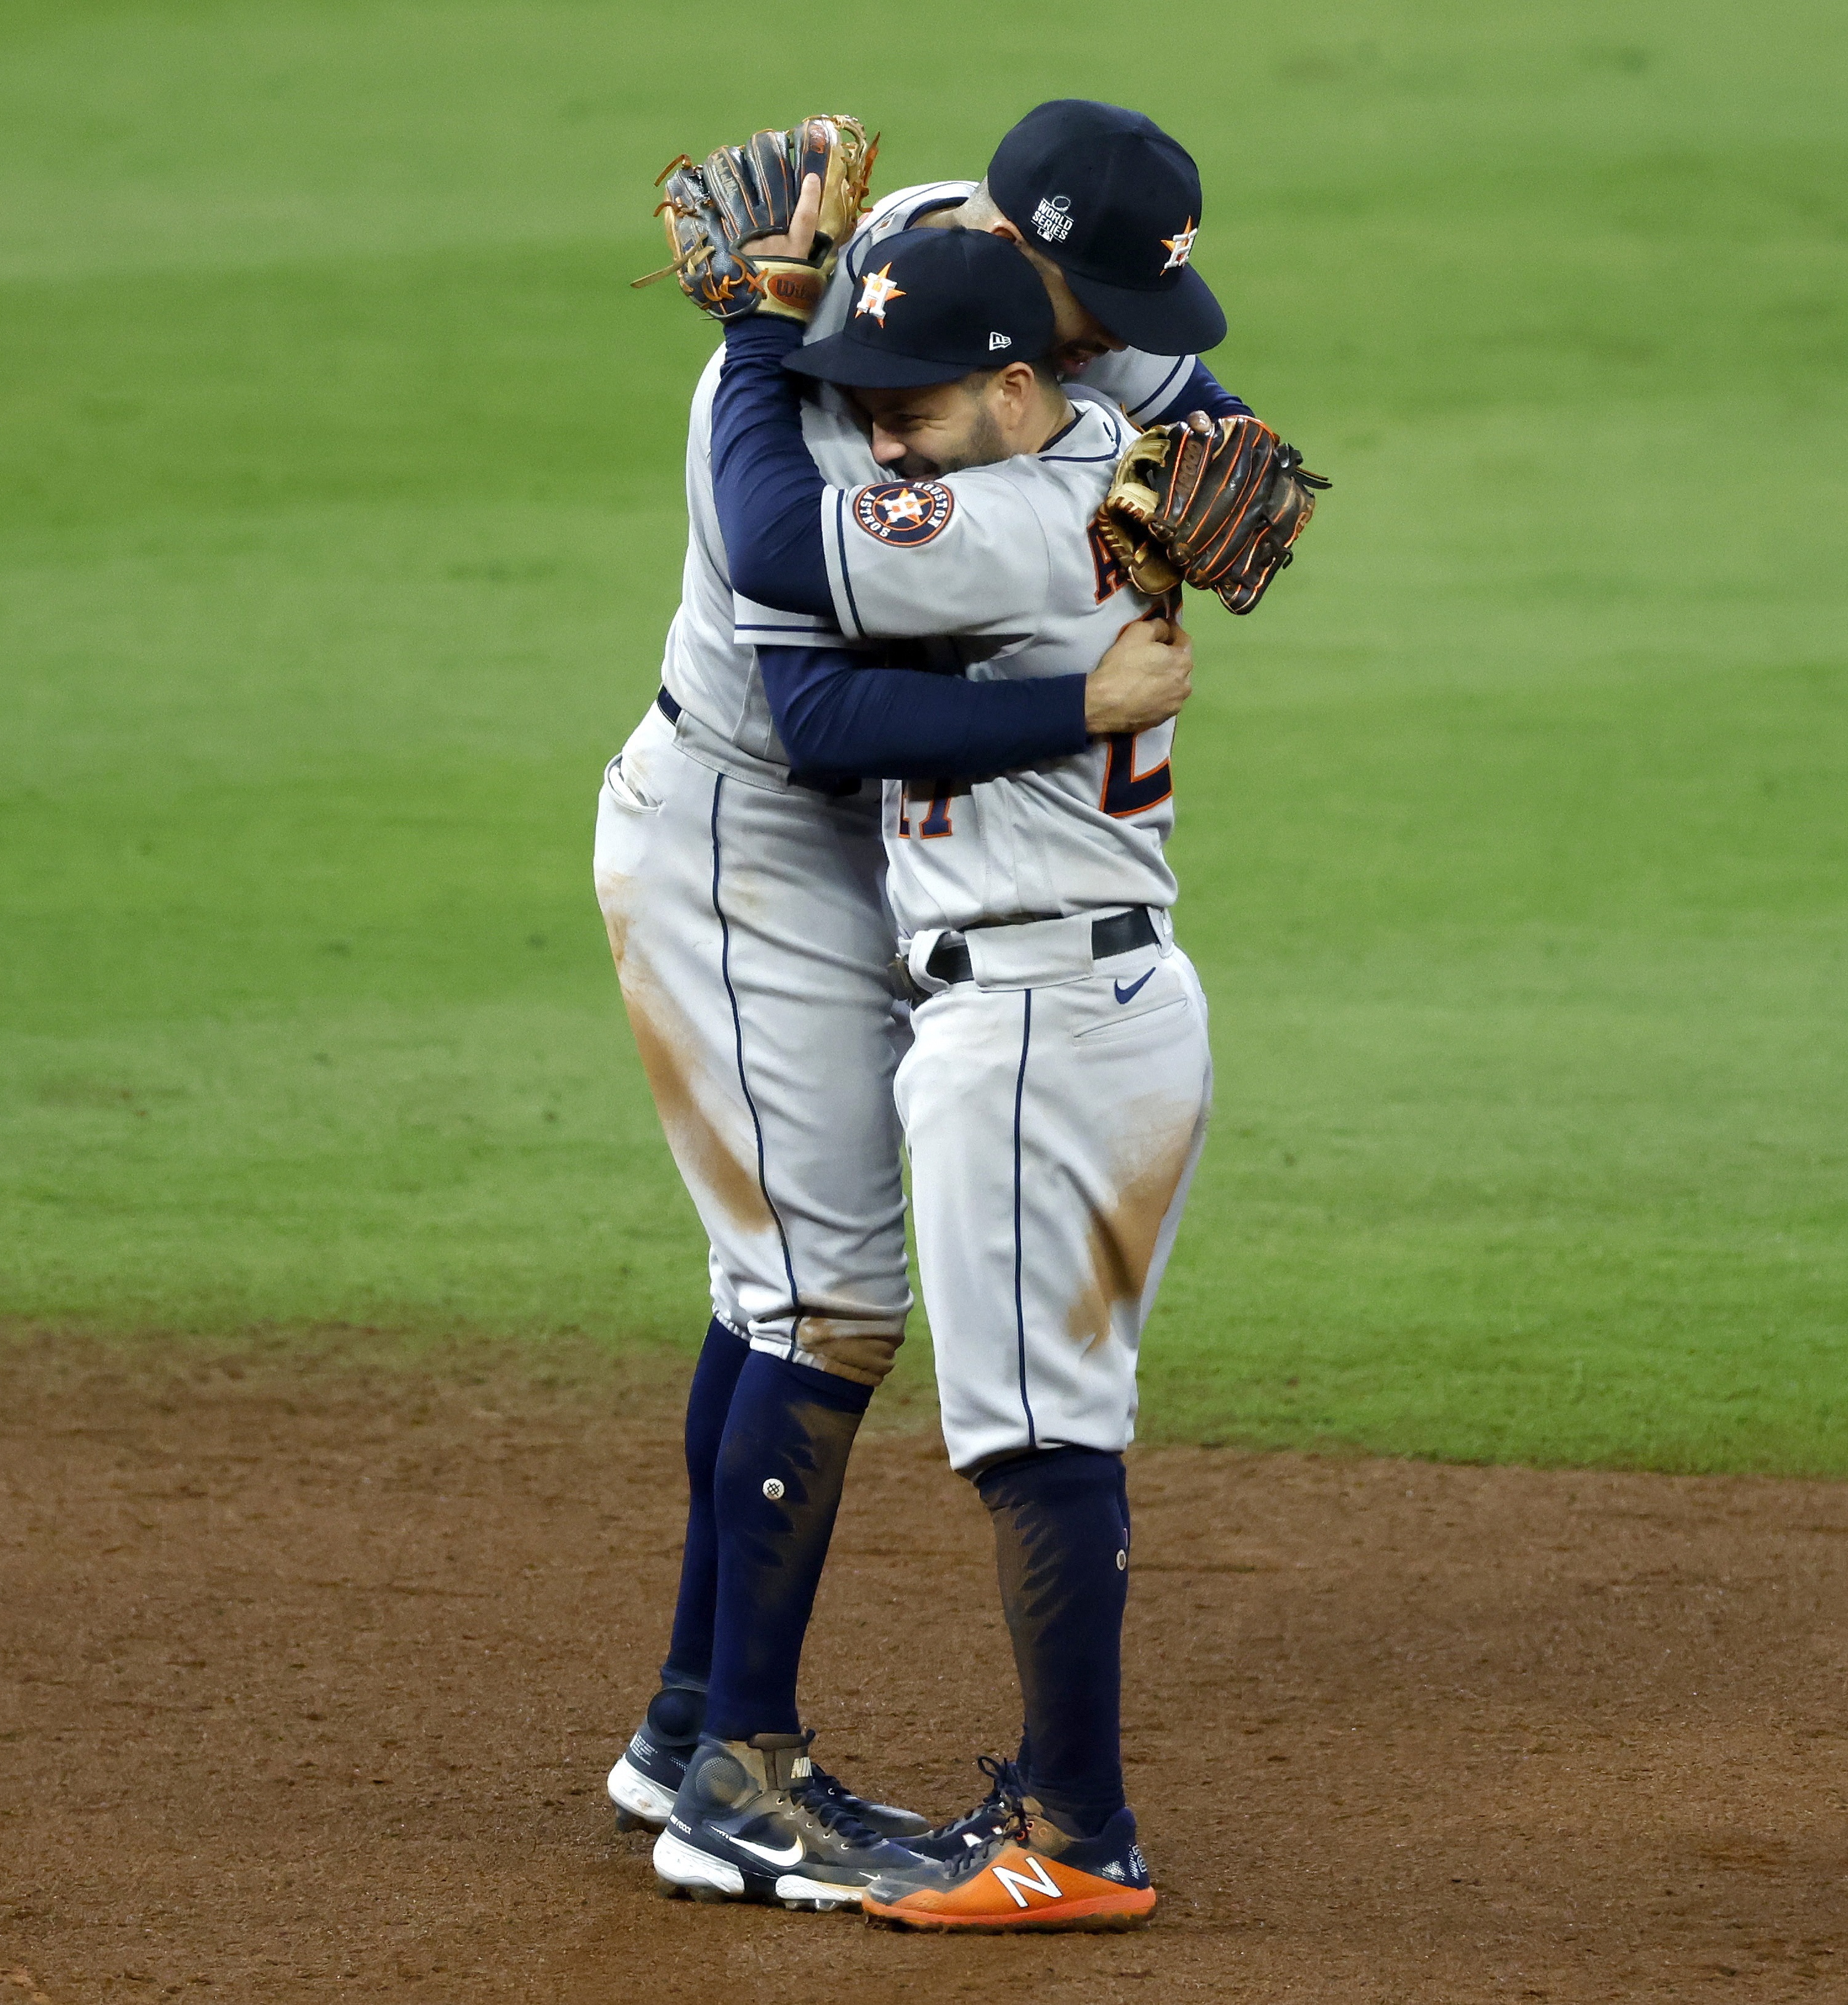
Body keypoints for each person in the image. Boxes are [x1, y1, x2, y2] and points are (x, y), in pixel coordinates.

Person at [595, 101, 1240, 1906]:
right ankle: (733, 1763)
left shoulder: (1013, 333)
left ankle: (689, 1725)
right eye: (1092, 305)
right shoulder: (872, 345)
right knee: (819, 1297)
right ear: (1006, 285)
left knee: (796, 1289)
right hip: (752, 824)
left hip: (906, 843)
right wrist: (746, 332)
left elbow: (1195, 420)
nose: (1120, 345)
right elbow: (799, 629)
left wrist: (1221, 437)